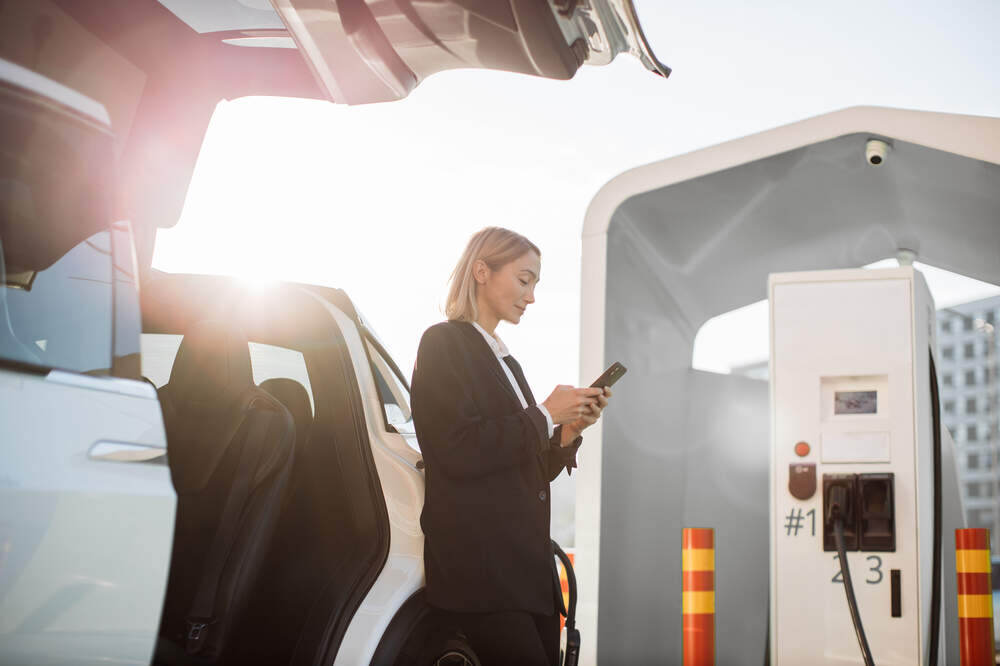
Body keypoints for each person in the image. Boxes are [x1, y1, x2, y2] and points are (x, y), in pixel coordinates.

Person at [411, 226, 611, 666]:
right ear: (482, 271)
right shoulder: (443, 344)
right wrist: (543, 415)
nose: (532, 295)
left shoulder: (506, 360)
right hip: (483, 580)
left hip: (525, 579)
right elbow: (455, 449)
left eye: (535, 283)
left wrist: (567, 432)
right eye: (525, 279)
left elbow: (523, 468)